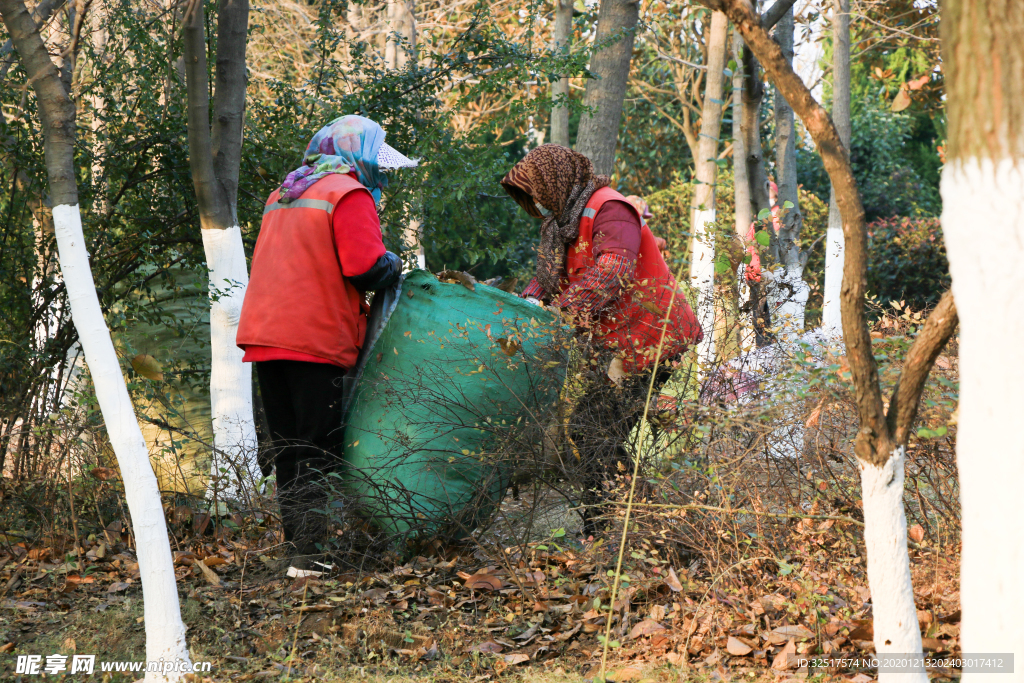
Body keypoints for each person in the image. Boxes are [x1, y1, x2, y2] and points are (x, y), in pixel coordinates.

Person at [236, 115, 417, 577]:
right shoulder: (346, 193)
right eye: (378, 159)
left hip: (266, 334)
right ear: (358, 154)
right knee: (318, 445)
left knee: (290, 446)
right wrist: (395, 265)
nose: (383, 173)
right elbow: (364, 267)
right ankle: (312, 554)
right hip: (313, 336)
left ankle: (299, 551)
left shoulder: (287, 191)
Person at [499, 144, 702, 533]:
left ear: (556, 179)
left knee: (593, 427)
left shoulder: (610, 208)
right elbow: (546, 281)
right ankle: (626, 521)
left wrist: (560, 314)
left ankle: (614, 527)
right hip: (619, 347)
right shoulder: (562, 223)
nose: (537, 199)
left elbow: (613, 269)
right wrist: (522, 308)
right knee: (595, 429)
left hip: (652, 338)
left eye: (539, 189)